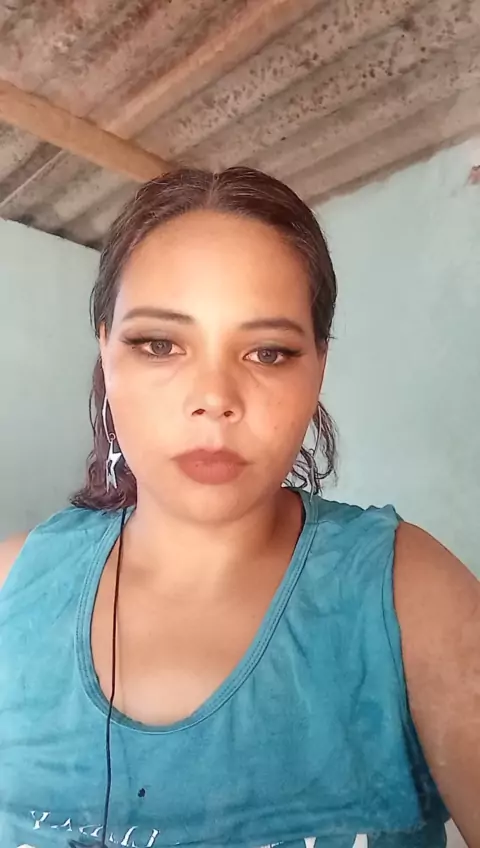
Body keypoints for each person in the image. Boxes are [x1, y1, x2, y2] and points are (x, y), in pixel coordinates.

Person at [0, 167, 478, 848]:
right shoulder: (12, 584)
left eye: (268, 352)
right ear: (106, 350)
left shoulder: (409, 594)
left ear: (318, 366)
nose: (214, 398)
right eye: (160, 344)